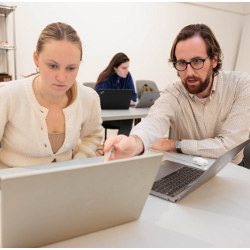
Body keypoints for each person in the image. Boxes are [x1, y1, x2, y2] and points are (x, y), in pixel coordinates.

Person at [104, 24, 250, 166]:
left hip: (230, 169)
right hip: (189, 167)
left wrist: (176, 144)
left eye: (197, 61)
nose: (189, 72)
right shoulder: (174, 93)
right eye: (181, 63)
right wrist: (134, 142)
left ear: (214, 60)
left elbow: (228, 147)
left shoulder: (241, 85)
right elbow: (153, 122)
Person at [0, 22, 103, 168]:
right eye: (53, 66)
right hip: (12, 187)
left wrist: (79, 162)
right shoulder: (7, 96)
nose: (62, 77)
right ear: (36, 58)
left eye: (71, 68)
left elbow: (92, 135)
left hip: (63, 186)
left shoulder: (89, 98)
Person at [95, 52, 137, 136]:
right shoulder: (105, 79)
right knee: (127, 121)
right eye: (124, 68)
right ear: (115, 68)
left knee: (128, 119)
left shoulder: (127, 76)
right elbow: (98, 100)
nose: (127, 71)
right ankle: (119, 147)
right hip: (105, 117)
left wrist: (130, 100)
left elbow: (133, 95)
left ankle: (119, 147)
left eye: (128, 67)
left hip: (122, 114)